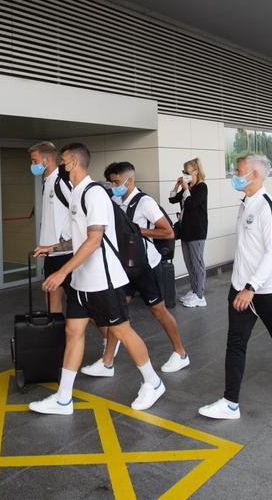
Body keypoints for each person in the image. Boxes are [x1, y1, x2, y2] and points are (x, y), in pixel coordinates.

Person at [30, 143, 165, 415]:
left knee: (122, 331)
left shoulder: (94, 194)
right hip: (83, 281)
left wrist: (62, 271)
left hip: (104, 281)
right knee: (73, 332)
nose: (61, 166)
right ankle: (64, 397)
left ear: (75, 164)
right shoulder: (77, 193)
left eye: (64, 161)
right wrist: (52, 248)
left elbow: (94, 240)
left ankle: (153, 382)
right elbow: (78, 237)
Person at [198, 154, 272, 420]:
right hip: (241, 289)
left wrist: (251, 287)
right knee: (235, 344)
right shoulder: (246, 204)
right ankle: (230, 403)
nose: (235, 174)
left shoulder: (268, 206)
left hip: (266, 290)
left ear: (254, 174)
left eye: (239, 170)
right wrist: (240, 285)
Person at [83, 162, 190, 377]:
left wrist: (136, 231)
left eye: (116, 181)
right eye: (111, 182)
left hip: (145, 267)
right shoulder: (114, 200)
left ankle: (180, 353)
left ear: (129, 180)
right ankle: (107, 362)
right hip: (124, 267)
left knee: (158, 311)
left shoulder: (145, 202)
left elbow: (168, 232)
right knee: (117, 312)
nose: (113, 186)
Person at [29, 141, 72, 314]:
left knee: (82, 307)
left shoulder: (62, 182)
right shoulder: (46, 182)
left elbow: (80, 213)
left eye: (34, 161)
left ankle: (109, 338)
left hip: (67, 253)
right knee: (51, 301)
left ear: (46, 160)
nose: (32, 165)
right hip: (52, 254)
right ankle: (58, 339)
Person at [170, 158, 209, 308]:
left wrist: (186, 188)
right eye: (183, 172)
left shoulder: (201, 187)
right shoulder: (188, 188)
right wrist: (178, 185)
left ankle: (200, 295)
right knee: (189, 263)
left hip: (197, 231)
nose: (185, 174)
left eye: (187, 172)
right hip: (185, 230)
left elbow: (192, 204)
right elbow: (172, 199)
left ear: (196, 171)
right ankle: (194, 290)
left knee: (197, 263)